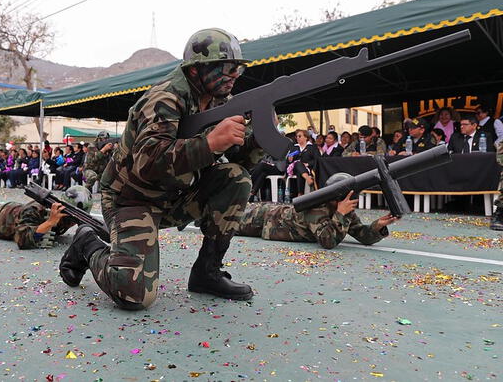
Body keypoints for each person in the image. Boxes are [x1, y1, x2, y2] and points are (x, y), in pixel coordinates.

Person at [59, 28, 264, 310]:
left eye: (237, 70)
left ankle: (208, 272)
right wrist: (210, 143)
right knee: (133, 294)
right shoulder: (164, 98)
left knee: (236, 179)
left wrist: (261, 137)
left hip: (175, 195)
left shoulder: (220, 102)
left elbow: (240, 162)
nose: (233, 77)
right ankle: (87, 244)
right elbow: (148, 163)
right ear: (196, 70)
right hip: (131, 198)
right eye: (226, 69)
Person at [238, 173, 399, 248]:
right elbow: (327, 241)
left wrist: (377, 226)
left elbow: (362, 235)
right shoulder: (316, 208)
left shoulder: (342, 210)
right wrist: (340, 214)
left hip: (269, 217)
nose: (353, 202)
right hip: (261, 218)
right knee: (224, 219)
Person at [0, 173, 88, 249]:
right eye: (70, 219)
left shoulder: (65, 216)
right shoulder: (36, 209)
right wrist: (50, 222)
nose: (71, 223)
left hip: (15, 212)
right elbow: (21, 239)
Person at [287, 129, 318, 194]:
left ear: (306, 137)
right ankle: (308, 179)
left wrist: (308, 164)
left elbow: (317, 159)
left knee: (299, 172)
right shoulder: (295, 148)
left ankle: (300, 194)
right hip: (294, 168)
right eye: (296, 136)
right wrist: (290, 159)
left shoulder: (312, 147)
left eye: (299, 136)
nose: (297, 138)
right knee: (298, 163)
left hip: (307, 169)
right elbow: (289, 159)